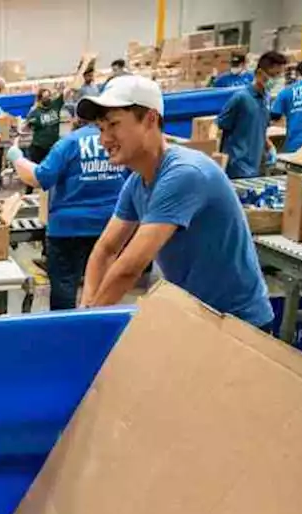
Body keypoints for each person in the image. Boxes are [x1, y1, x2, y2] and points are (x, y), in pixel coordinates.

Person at [76, 75, 273, 329]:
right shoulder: (137, 183)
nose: (104, 140)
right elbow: (106, 249)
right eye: (101, 129)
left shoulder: (184, 174)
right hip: (198, 317)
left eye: (114, 125)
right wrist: (87, 308)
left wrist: (88, 326)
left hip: (240, 323)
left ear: (150, 119)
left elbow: (130, 267)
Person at [8, 116, 129, 310]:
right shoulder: (121, 142)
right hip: (110, 226)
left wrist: (17, 158)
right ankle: (103, 331)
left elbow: (39, 177)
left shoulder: (69, 143)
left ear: (75, 121)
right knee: (105, 288)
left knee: (64, 286)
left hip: (68, 229)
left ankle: (66, 333)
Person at [216, 50, 287, 179]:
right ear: (260, 73)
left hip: (255, 166)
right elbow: (219, 128)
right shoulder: (241, 98)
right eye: (274, 75)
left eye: (280, 76)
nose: (276, 80)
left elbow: (258, 128)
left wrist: (270, 147)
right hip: (238, 167)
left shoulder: (266, 98)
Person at [25, 86, 66, 167]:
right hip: (39, 148)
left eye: (49, 96)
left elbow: (65, 93)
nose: (48, 99)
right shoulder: (35, 112)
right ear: (40, 99)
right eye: (45, 98)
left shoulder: (55, 105)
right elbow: (27, 126)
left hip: (53, 146)